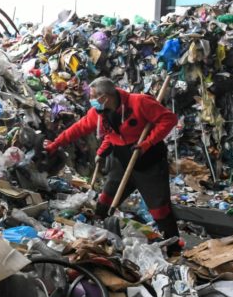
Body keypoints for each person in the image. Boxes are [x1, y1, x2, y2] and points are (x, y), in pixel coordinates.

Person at [45, 77, 181, 250]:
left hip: (149, 161)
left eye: (94, 96)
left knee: (159, 210)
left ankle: (175, 247)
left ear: (106, 97)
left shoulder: (139, 102)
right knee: (105, 201)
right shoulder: (98, 113)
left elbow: (169, 119)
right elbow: (78, 129)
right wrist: (55, 144)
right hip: (121, 161)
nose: (91, 100)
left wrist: (148, 142)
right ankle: (99, 236)